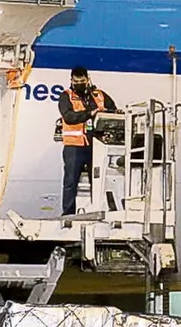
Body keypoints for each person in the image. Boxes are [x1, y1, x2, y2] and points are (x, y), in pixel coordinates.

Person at [58, 66, 118, 216]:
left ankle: (98, 211)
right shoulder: (66, 96)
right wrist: (89, 113)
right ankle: (68, 215)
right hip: (74, 146)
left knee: (97, 181)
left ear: (88, 79)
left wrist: (114, 113)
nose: (79, 84)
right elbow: (69, 117)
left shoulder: (99, 95)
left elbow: (112, 110)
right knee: (71, 182)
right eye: (76, 81)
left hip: (96, 146)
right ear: (71, 80)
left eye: (82, 81)